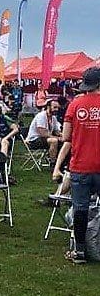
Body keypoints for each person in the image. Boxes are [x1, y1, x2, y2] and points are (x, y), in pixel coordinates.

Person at [62, 67, 100, 264]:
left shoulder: (75, 105)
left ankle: (80, 252)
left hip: (81, 165)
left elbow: (65, 136)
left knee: (81, 209)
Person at [26, 99, 62, 163]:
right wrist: (58, 138)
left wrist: (62, 135)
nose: (57, 110)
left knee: (64, 141)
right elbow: (43, 133)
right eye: (55, 107)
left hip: (44, 139)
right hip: (34, 140)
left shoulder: (53, 118)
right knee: (54, 141)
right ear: (48, 107)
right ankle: (52, 162)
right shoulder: (41, 116)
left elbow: (56, 131)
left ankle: (61, 162)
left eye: (58, 108)